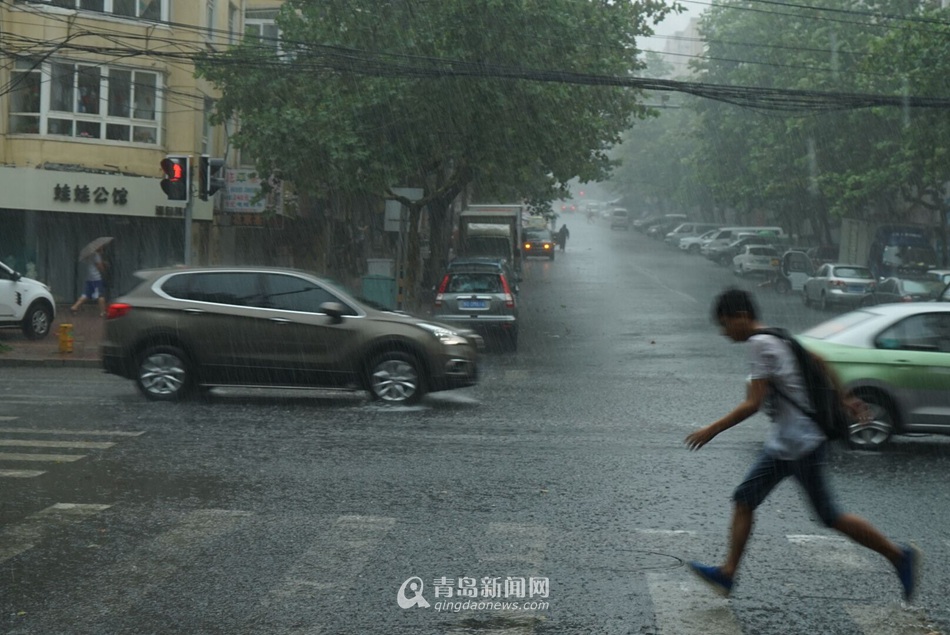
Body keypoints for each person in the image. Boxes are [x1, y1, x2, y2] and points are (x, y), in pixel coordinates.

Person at [684, 288, 921, 600]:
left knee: (829, 515)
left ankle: (899, 555)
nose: (724, 332)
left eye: (726, 324)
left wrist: (711, 429)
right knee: (744, 499)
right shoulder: (778, 335)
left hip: (800, 445)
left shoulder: (759, 343)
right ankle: (728, 573)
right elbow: (820, 361)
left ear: (741, 317)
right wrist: (845, 398)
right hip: (786, 444)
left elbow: (753, 403)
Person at [70, 245, 108, 317]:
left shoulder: (90, 255)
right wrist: (104, 266)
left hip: (89, 278)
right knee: (100, 295)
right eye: (102, 247)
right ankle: (103, 312)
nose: (102, 249)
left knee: (86, 295)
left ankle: (74, 307)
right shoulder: (96, 255)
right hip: (96, 278)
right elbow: (100, 267)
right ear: (98, 248)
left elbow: (93, 264)